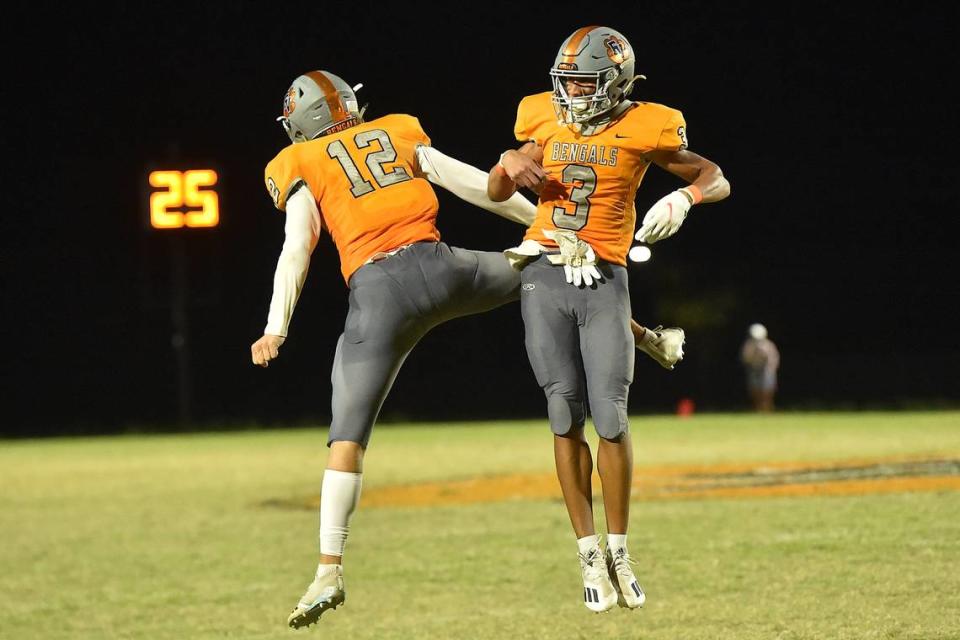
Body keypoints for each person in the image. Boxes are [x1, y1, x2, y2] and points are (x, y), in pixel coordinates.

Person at [250, 70, 686, 629]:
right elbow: (474, 184)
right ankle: (646, 337)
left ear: (299, 124)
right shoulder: (398, 131)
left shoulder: (300, 164)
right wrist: (550, 228)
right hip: (447, 268)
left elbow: (296, 248)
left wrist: (275, 327)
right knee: (551, 277)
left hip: (378, 299)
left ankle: (328, 568)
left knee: (347, 437)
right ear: (350, 107)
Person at [488, 26, 730, 613]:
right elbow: (498, 191)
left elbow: (713, 175)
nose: (572, 91)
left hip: (605, 276)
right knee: (562, 411)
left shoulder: (648, 123)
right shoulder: (541, 115)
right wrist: (508, 160)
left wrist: (683, 199)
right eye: (565, 80)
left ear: (617, 82)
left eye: (584, 81)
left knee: (612, 418)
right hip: (545, 268)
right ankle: (588, 551)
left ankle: (620, 550)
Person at [740, 323, 780, 412]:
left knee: (767, 390)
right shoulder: (748, 345)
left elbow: (774, 358)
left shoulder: (768, 345)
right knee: (755, 390)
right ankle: (757, 409)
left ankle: (767, 408)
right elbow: (745, 358)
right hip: (754, 369)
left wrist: (771, 367)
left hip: (766, 370)